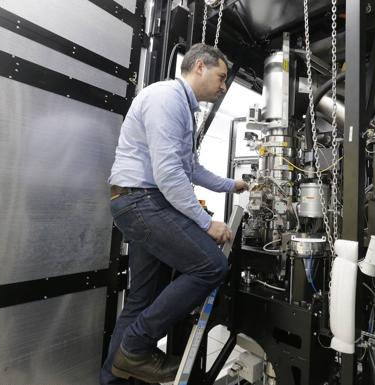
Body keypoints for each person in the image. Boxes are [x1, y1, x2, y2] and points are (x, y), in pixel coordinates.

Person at [100, 43, 248, 385]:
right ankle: (135, 347)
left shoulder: (183, 106)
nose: (224, 86)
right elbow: (168, 174)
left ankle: (114, 377)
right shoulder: (167, 98)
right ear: (198, 66)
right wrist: (206, 223)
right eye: (221, 77)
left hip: (140, 202)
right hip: (142, 202)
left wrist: (232, 185)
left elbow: (189, 167)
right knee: (212, 265)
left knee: (140, 299)